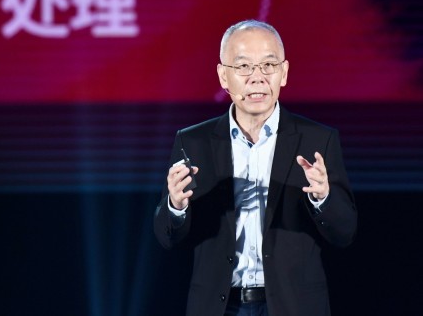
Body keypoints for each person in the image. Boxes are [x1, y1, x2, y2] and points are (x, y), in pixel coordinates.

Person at [153, 19, 357, 316]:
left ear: (284, 73)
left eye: (268, 65)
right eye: (244, 67)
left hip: (293, 306)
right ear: (223, 76)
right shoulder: (193, 142)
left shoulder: (317, 140)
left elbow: (345, 232)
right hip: (220, 306)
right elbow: (166, 237)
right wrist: (175, 205)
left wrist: (322, 198)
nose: (257, 78)